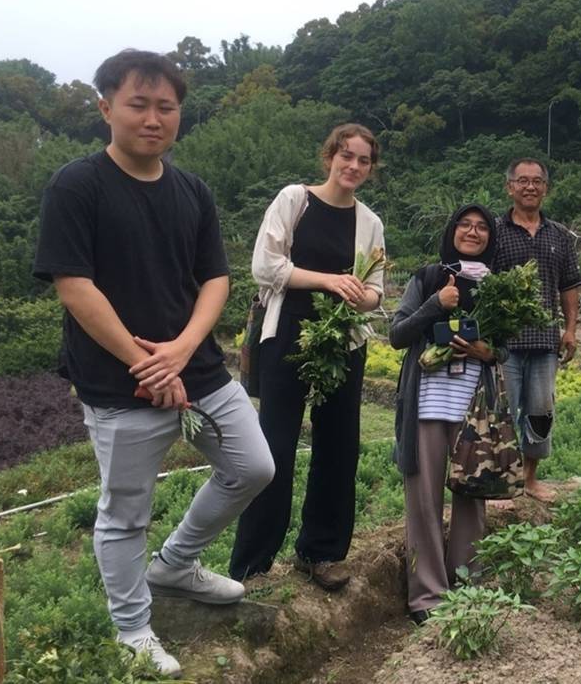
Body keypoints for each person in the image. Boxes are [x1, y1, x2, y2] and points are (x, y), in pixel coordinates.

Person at [33, 49, 275, 678]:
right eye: (138, 104)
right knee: (125, 510)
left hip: (196, 368)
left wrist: (182, 351)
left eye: (166, 107)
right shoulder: (76, 185)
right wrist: (147, 365)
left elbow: (216, 279)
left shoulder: (191, 189)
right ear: (106, 106)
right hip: (118, 381)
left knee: (253, 466)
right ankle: (132, 627)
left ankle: (175, 564)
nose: (153, 118)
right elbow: (74, 285)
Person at [228, 124, 386, 591]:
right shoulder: (294, 199)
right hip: (288, 335)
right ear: (329, 156)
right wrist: (329, 281)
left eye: (364, 161)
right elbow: (265, 264)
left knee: (339, 447)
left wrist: (364, 298)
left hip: (344, 341)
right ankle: (252, 566)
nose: (354, 166)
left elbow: (377, 289)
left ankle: (320, 552)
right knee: (274, 447)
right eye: (347, 156)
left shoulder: (370, 222)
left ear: (371, 169)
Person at [389, 205, 502, 624]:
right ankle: (427, 599)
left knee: (472, 500)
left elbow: (504, 347)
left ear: (491, 237)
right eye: (465, 225)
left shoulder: (498, 285)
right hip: (426, 408)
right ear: (452, 231)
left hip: (473, 413)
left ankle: (468, 587)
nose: (473, 232)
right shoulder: (428, 277)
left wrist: (485, 351)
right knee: (424, 503)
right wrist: (438, 303)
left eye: (482, 227)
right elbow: (398, 334)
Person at [493, 159, 581, 501]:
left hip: (546, 340)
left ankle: (529, 479)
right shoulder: (496, 230)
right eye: (522, 181)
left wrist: (571, 329)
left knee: (541, 411)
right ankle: (502, 480)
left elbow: (570, 284)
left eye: (537, 181)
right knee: (503, 412)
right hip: (505, 342)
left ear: (545, 187)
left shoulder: (558, 234)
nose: (530, 187)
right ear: (510, 187)